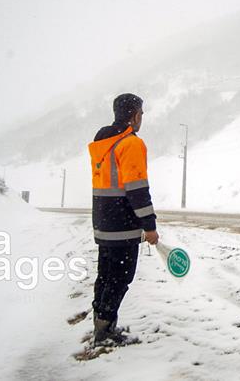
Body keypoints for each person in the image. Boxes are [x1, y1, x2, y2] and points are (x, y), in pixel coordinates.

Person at [88, 93, 159, 345]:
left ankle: (101, 322)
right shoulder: (130, 144)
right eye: (141, 113)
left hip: (103, 223)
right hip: (123, 224)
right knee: (119, 278)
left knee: (105, 276)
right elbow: (138, 190)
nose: (142, 118)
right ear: (134, 115)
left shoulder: (103, 143)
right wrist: (149, 226)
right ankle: (105, 332)